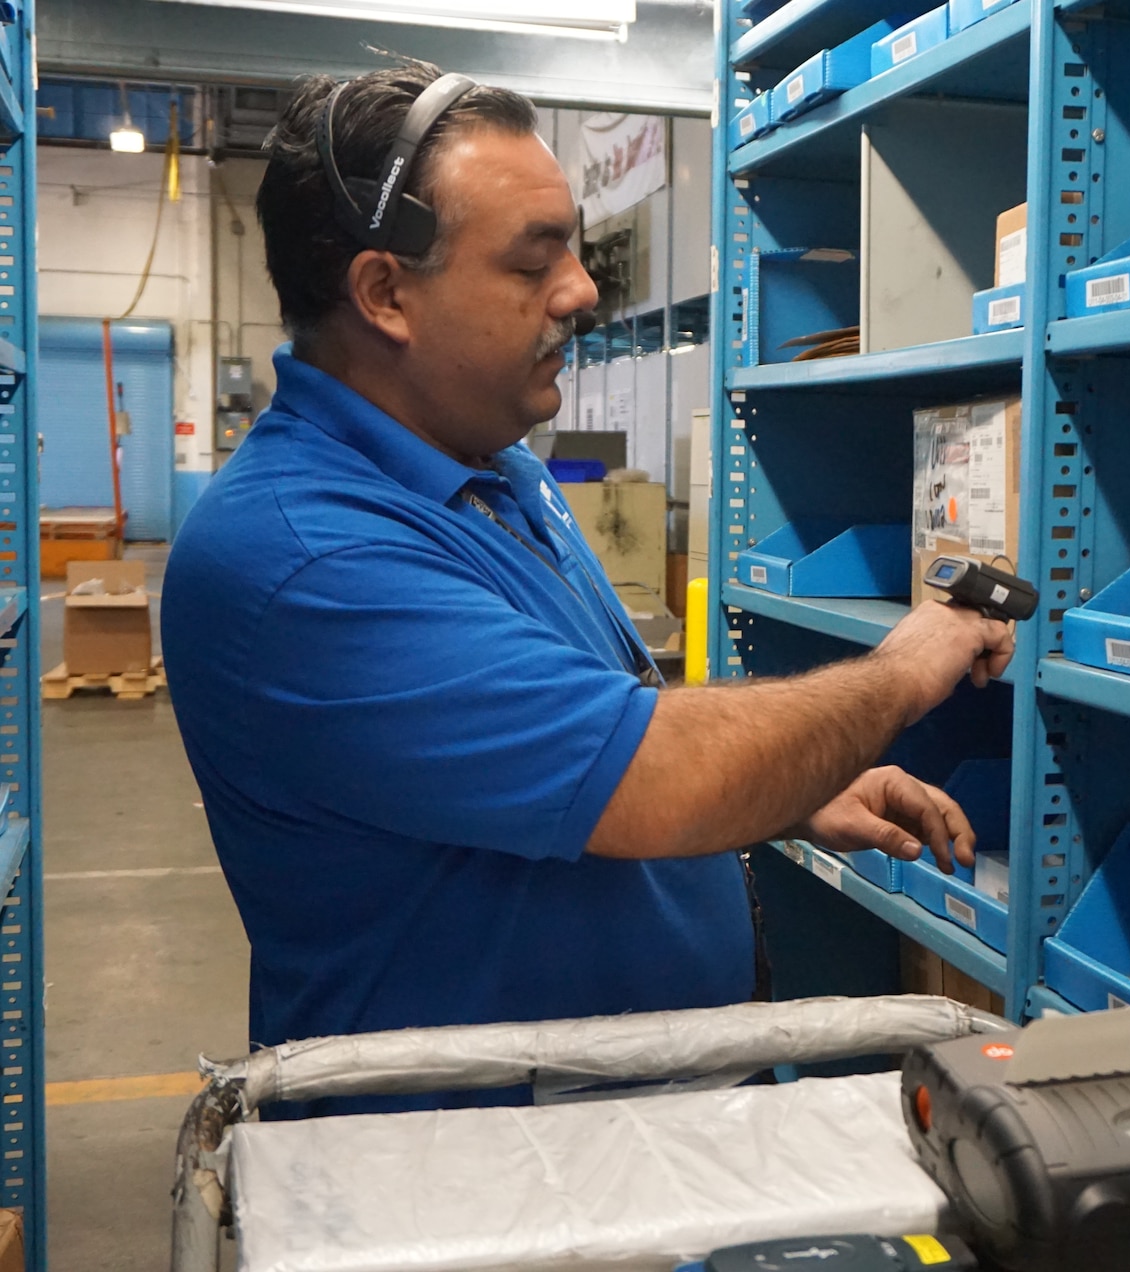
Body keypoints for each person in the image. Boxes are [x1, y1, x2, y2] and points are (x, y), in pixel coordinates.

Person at [161, 61, 1014, 1115]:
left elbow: (572, 738)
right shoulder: (304, 556)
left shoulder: (495, 467)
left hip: (621, 1124)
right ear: (385, 294)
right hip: (472, 1177)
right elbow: (652, 774)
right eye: (534, 262)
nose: (582, 290)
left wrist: (786, 794)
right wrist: (901, 671)